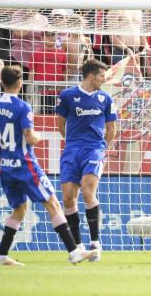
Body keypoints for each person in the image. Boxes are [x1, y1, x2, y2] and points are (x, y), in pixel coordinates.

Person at [0, 66, 98, 266]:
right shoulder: (22, 107)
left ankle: (1, 255)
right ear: (20, 83)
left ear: (2, 83)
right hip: (25, 166)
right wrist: (38, 136)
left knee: (20, 209)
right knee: (53, 203)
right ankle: (74, 251)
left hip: (5, 168)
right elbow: (30, 138)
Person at [56, 59, 118, 262]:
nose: (104, 78)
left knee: (88, 191)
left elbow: (111, 130)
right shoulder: (67, 96)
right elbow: (61, 124)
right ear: (91, 75)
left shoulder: (106, 98)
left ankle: (96, 243)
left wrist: (101, 149)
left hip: (94, 150)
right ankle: (78, 246)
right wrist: (73, 143)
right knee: (67, 197)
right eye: (102, 75)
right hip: (72, 150)